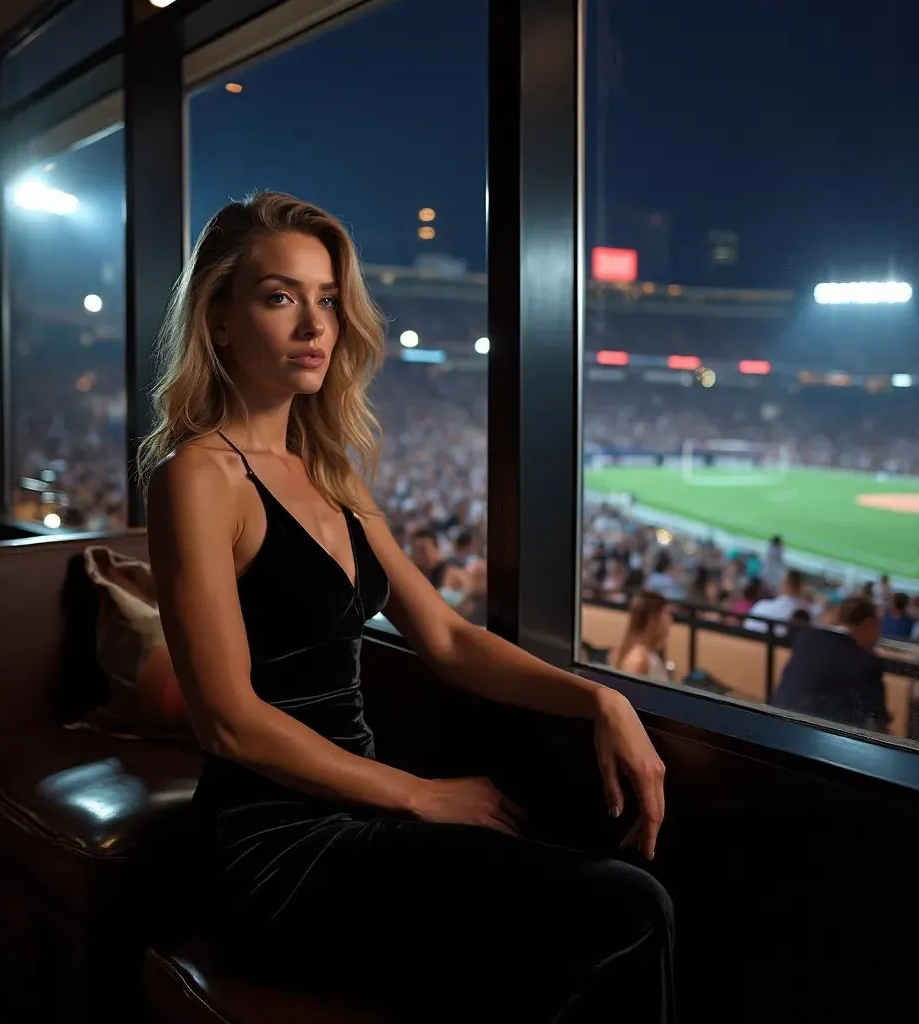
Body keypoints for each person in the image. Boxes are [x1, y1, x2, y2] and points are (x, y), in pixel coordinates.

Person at [140, 193, 674, 1022]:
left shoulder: (333, 474)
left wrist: (603, 698)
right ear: (218, 320)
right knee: (625, 908)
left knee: (621, 887)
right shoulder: (197, 477)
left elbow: (451, 642)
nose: (314, 325)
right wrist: (419, 794)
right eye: (280, 296)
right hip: (278, 848)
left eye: (326, 300)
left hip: (366, 820)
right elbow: (229, 722)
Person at [771, 596, 890, 733]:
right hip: (823, 738)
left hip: (776, 724)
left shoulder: (806, 639)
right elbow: (879, 720)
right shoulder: (867, 661)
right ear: (869, 623)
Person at [610, 591, 673, 684]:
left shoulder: (648, 653)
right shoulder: (638, 659)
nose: (670, 620)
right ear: (652, 619)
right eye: (666, 614)